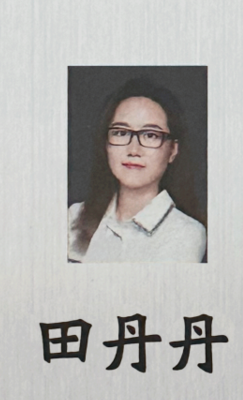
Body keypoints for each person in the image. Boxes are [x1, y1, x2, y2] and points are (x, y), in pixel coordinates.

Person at [69, 78, 206, 263]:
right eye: (121, 132)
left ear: (173, 150)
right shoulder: (74, 216)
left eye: (150, 135)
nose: (134, 150)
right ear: (106, 144)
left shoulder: (186, 233)